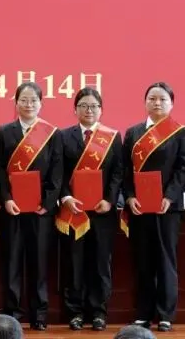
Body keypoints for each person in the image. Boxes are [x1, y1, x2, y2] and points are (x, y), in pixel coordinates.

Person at [121, 82, 185, 331]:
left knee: (165, 260)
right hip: (139, 207)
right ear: (145, 102)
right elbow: (125, 170)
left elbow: (183, 168)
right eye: (152, 98)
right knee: (143, 260)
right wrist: (129, 197)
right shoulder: (133, 133)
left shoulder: (180, 133)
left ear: (171, 104)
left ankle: (165, 314)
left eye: (162, 99)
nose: (157, 103)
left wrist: (169, 196)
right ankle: (143, 312)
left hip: (167, 208)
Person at [0, 82, 63, 332]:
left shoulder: (52, 133)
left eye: (33, 100)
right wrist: (6, 199)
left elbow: (57, 172)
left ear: (41, 103)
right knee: (12, 263)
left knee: (39, 263)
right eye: (23, 100)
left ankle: (39, 314)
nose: (28, 104)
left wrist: (47, 203)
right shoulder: (4, 132)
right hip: (12, 209)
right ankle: (12, 313)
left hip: (40, 211)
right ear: (16, 104)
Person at [56, 87, 123, 331]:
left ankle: (98, 312)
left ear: (101, 110)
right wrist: (66, 197)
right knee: (74, 263)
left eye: (94, 106)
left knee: (100, 263)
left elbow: (118, 172)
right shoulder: (64, 136)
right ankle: (75, 312)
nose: (89, 110)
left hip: (103, 212)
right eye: (83, 105)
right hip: (73, 211)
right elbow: (58, 172)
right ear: (75, 109)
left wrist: (109, 199)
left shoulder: (112, 137)